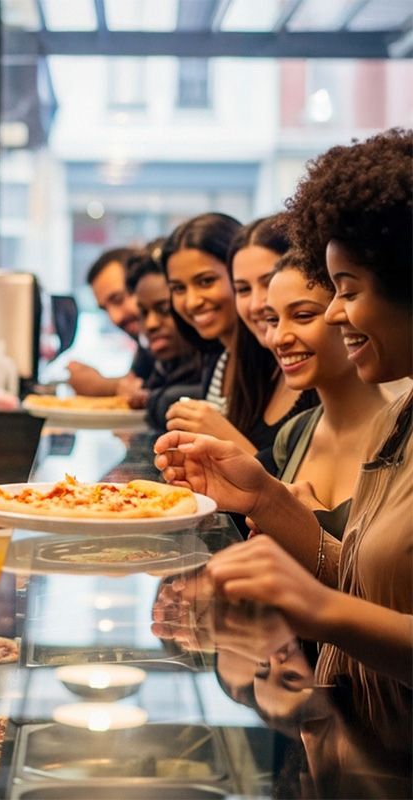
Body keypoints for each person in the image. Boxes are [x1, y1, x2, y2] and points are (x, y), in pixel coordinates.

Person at [154, 128, 412, 790]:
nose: (336, 313)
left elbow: (342, 605)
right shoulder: (399, 426)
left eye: (345, 288)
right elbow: (352, 575)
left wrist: (316, 610)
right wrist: (266, 500)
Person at [163, 213, 317, 458]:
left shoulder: (312, 371)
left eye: (206, 281)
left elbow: (301, 487)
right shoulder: (245, 360)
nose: (257, 304)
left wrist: (225, 437)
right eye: (243, 289)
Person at [263, 250, 387, 537]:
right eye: (271, 320)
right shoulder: (292, 435)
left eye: (303, 316)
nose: (280, 337)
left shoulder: (401, 437)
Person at [121, 239, 203, 428]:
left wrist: (151, 399)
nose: (150, 324)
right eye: (143, 313)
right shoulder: (159, 363)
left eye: (164, 310)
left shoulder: (220, 362)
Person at [66, 246, 154, 396]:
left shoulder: (186, 338)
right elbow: (143, 383)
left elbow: (165, 393)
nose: (115, 317)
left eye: (118, 299)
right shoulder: (146, 344)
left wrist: (103, 386)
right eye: (105, 309)